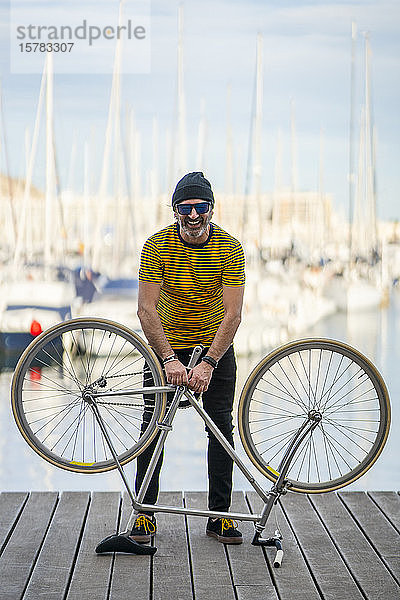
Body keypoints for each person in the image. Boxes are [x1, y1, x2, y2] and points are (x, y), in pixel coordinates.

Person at [131, 171, 245, 545]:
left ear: (211, 208)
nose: (193, 215)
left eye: (201, 207)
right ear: (175, 209)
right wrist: (167, 358)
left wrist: (209, 362)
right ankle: (145, 515)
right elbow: (146, 311)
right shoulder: (156, 247)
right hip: (166, 342)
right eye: (185, 207)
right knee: (153, 427)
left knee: (220, 429)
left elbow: (233, 314)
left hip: (215, 343)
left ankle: (220, 517)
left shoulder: (229, 247)